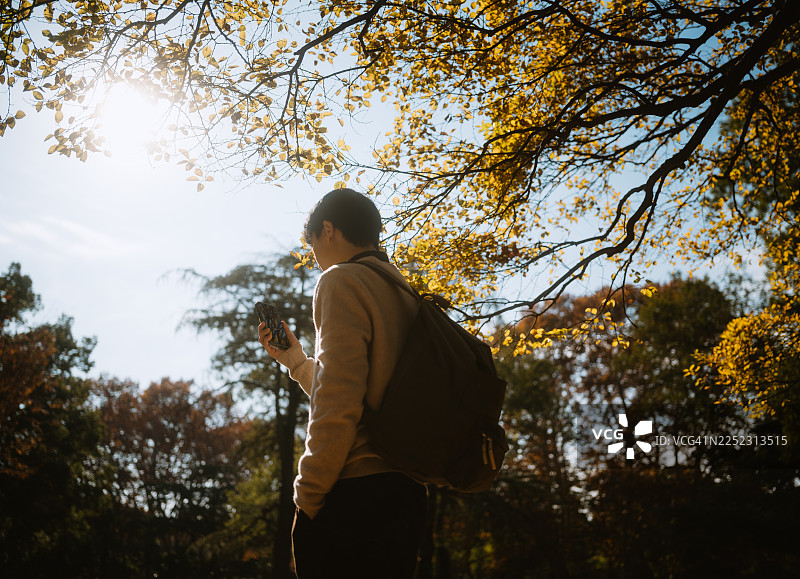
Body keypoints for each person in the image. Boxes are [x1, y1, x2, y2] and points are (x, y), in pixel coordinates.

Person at [257, 188, 427, 578]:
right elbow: (363, 388)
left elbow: (339, 401)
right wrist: (297, 362)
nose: (315, 257)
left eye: (312, 242)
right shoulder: (404, 292)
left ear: (328, 230)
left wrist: (309, 494)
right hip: (407, 494)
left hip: (354, 495)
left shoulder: (340, 280)